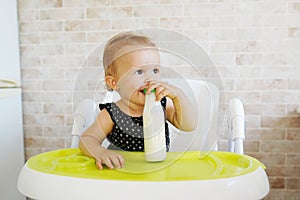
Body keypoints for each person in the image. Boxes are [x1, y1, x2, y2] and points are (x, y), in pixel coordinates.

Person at [79, 32, 197, 170]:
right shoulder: (112, 113)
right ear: (114, 83)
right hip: (123, 174)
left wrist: (179, 96)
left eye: (155, 70)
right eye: (139, 72)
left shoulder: (162, 104)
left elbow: (189, 125)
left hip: (157, 171)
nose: (150, 79)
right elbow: (87, 139)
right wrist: (100, 152)